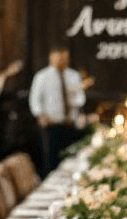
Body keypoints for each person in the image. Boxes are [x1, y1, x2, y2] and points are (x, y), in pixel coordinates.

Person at [29, 47, 87, 176]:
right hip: (50, 124)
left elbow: (81, 98)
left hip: (69, 124)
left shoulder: (73, 75)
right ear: (51, 57)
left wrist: (71, 100)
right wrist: (40, 115)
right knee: (50, 162)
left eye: (64, 57)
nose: (61, 60)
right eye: (58, 57)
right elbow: (34, 100)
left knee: (70, 159)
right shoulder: (42, 76)